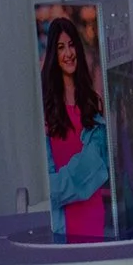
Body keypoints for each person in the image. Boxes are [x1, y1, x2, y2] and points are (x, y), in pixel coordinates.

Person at [40, 15, 111, 240]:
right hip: (61, 220)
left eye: (71, 45)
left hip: (91, 214)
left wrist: (55, 190)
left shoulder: (92, 102)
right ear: (54, 54)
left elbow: (96, 164)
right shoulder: (44, 107)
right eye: (61, 47)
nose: (68, 53)